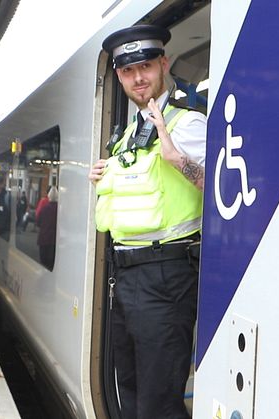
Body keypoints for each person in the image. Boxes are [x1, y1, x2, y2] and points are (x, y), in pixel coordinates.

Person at [88, 24, 206, 419]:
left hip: (166, 276)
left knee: (157, 403)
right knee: (131, 394)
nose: (138, 78)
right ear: (119, 76)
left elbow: (221, 190)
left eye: (146, 66)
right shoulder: (128, 134)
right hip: (128, 277)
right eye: (127, 71)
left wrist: (178, 160)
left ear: (163, 64)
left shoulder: (186, 123)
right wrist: (106, 175)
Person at [36, 186, 58, 270]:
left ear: (48, 196)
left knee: (44, 261)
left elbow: (38, 222)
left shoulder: (44, 209)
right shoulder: (60, 210)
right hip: (54, 240)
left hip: (44, 238)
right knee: (52, 262)